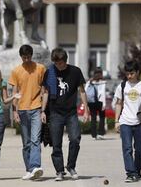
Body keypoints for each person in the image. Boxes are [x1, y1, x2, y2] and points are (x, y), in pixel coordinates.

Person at [41, 48, 90, 181]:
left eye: (61, 63)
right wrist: (42, 111)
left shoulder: (75, 71)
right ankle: (59, 171)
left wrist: (86, 110)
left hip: (71, 113)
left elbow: (82, 91)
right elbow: (45, 92)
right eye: (56, 63)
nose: (59, 66)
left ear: (65, 61)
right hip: (55, 112)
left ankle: (71, 166)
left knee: (75, 139)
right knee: (56, 143)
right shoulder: (49, 72)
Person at [9, 45, 46, 180]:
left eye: (28, 57)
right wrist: (15, 112)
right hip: (22, 110)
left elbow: (44, 88)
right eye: (24, 57)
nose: (26, 59)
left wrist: (43, 110)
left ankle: (36, 166)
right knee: (26, 143)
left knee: (35, 140)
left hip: (36, 107)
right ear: (21, 57)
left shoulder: (40, 68)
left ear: (32, 55)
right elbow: (14, 93)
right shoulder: (16, 71)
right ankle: (29, 170)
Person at [114, 61, 141, 183]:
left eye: (132, 73)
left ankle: (137, 170)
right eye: (127, 74)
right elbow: (118, 103)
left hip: (140, 123)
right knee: (127, 148)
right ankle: (131, 173)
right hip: (125, 121)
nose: (129, 76)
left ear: (137, 72)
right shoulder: (122, 86)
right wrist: (116, 121)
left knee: (139, 149)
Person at [85, 67, 106, 140]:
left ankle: (94, 135)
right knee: (102, 117)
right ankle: (100, 133)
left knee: (93, 118)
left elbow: (85, 91)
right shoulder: (102, 82)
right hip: (100, 101)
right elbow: (102, 93)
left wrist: (86, 103)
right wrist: (104, 104)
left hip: (91, 102)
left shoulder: (89, 81)